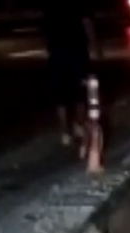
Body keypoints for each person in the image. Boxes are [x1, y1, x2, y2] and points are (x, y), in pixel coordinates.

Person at [42, 0, 97, 148]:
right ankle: (78, 124)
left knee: (60, 95)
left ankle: (65, 131)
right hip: (77, 51)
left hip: (57, 52)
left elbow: (46, 26)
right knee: (79, 91)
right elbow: (87, 22)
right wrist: (93, 44)